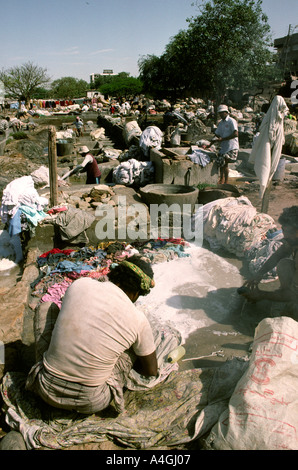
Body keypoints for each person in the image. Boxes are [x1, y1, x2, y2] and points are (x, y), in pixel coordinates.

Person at [26, 255, 158, 414]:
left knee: (46, 307)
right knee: (133, 347)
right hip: (92, 401)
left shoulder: (80, 284)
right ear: (137, 292)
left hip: (45, 387)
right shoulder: (138, 320)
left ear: (116, 274)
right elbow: (151, 371)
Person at [238, 206, 298, 310]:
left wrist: (262, 295)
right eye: (284, 230)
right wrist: (259, 274)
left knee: (294, 307)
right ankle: (285, 292)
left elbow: (295, 296)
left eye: (291, 232)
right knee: (284, 264)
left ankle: (286, 295)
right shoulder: (292, 240)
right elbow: (280, 253)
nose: (285, 235)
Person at [207, 105, 239, 184]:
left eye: (222, 113)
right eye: (220, 113)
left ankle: (226, 181)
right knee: (221, 163)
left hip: (231, 146)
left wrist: (223, 139)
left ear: (226, 112)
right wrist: (209, 144)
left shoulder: (231, 121)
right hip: (224, 147)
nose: (221, 115)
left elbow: (235, 134)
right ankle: (221, 180)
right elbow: (217, 135)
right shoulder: (221, 123)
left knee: (225, 163)